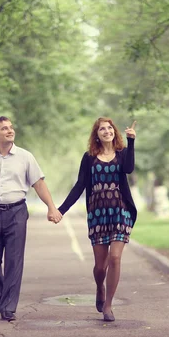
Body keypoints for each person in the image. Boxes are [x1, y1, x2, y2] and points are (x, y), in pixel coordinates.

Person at [0, 116, 62, 322]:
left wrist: (51, 207)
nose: (10, 131)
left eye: (11, 127)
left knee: (13, 260)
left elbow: (39, 184)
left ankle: (8, 306)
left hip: (17, 212)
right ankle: (0, 295)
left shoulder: (25, 157)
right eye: (4, 128)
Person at [57, 117, 137, 322]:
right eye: (102, 129)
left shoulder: (122, 154)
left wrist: (131, 141)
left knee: (115, 258)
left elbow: (128, 169)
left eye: (110, 128)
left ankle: (108, 305)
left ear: (114, 132)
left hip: (120, 212)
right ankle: (99, 287)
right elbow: (79, 186)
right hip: (98, 214)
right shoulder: (89, 157)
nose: (107, 131)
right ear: (97, 134)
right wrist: (61, 210)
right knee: (100, 266)